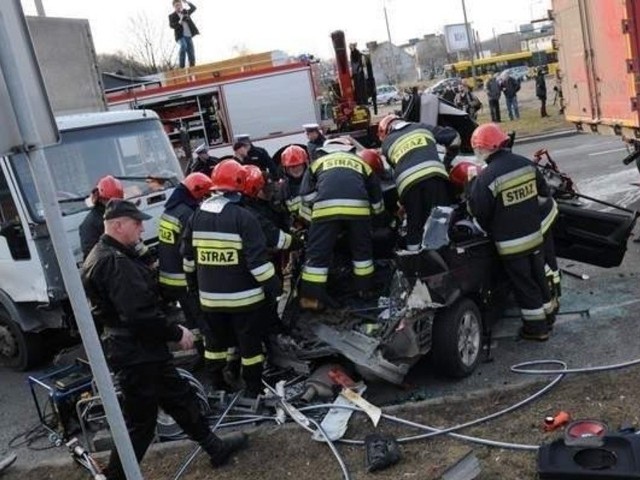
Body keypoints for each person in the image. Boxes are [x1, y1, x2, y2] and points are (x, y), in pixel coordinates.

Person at [81, 199, 247, 480]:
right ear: (118, 225)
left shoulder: (108, 254)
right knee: (141, 422)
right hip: (136, 352)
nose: (142, 229)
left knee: (179, 398)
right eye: (136, 224)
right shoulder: (114, 261)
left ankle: (215, 447)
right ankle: (117, 476)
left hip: (139, 350)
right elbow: (138, 314)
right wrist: (175, 332)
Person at [182, 160, 281, 396]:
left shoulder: (196, 217)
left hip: (210, 301)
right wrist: (274, 287)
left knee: (215, 345)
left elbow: (187, 259)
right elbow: (258, 264)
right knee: (250, 348)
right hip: (245, 300)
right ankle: (253, 389)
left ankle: (217, 384)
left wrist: (194, 288)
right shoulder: (244, 218)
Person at [467, 123, 554, 341]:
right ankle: (549, 317)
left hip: (511, 244)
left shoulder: (486, 178)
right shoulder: (526, 164)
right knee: (539, 278)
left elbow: (479, 213)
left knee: (524, 284)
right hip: (535, 236)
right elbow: (544, 196)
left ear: (483, 149)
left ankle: (537, 330)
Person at [298, 138, 385, 310]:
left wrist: (320, 202)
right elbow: (376, 193)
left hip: (325, 211)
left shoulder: (318, 163)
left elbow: (305, 195)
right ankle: (365, 291)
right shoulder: (360, 162)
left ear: (325, 149)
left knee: (317, 255)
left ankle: (311, 299)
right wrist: (377, 216)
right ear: (349, 149)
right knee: (362, 253)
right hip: (358, 211)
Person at [378, 114, 460, 251]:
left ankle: (414, 260)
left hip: (408, 186)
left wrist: (402, 204)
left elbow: (395, 170)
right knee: (440, 220)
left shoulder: (386, 144)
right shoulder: (422, 127)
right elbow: (454, 138)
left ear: (386, 132)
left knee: (414, 225)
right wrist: (447, 161)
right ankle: (443, 256)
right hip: (435, 178)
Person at [158, 173, 211, 331]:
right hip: (184, 277)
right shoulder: (187, 214)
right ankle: (207, 351)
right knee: (201, 320)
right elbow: (189, 249)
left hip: (170, 276)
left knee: (191, 320)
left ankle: (199, 347)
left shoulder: (170, 210)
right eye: (204, 195)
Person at [79, 175, 124, 260]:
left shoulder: (120, 214)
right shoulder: (90, 224)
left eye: (118, 201)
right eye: (111, 201)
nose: (116, 204)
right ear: (101, 199)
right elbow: (92, 256)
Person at [281, 144, 312, 223]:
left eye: (298, 165)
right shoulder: (284, 188)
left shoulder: (315, 180)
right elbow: (285, 214)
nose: (296, 169)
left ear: (305, 164)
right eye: (292, 167)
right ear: (286, 169)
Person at [169, 1, 199, 69]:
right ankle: (181, 66)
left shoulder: (185, 12)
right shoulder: (172, 16)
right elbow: (171, 26)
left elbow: (194, 8)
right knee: (183, 45)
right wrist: (180, 21)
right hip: (180, 36)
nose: (178, 7)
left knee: (191, 53)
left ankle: (192, 67)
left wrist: (186, 2)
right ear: (174, 7)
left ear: (181, 5)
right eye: (176, 5)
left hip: (188, 35)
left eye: (179, 5)